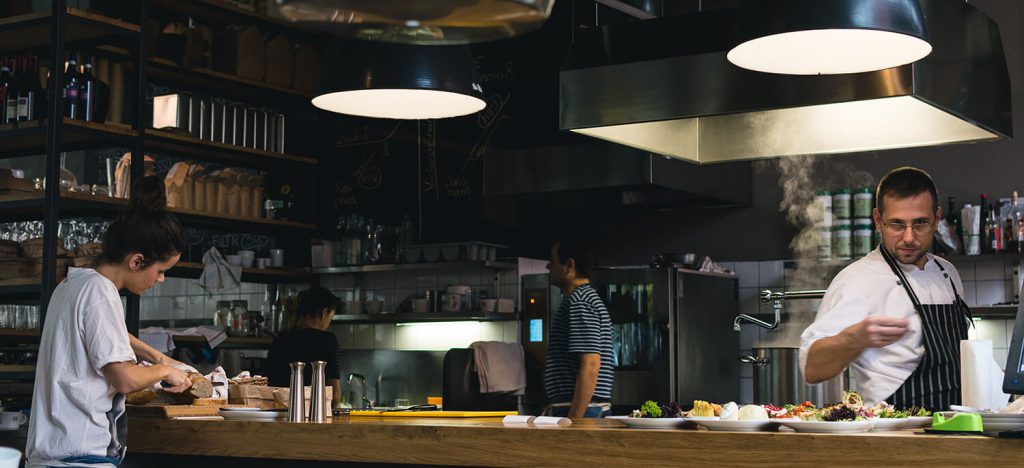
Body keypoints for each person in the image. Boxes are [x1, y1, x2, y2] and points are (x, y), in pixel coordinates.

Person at [27, 176, 193, 468]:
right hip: (79, 457)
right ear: (136, 261)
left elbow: (103, 333)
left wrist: (157, 356)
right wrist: (165, 371)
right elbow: (125, 379)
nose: (161, 279)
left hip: (51, 455)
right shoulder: (101, 293)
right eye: (161, 270)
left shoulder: (74, 284)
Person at [800, 167, 971, 410]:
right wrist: (854, 338)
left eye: (920, 223)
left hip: (958, 423)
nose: (909, 237)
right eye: (897, 224)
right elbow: (812, 369)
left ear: (936, 218)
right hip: (896, 427)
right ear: (878, 221)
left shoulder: (948, 273)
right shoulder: (857, 280)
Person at [543, 238, 614, 418]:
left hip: (582, 409)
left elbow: (591, 364)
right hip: (585, 407)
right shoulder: (585, 298)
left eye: (552, 261)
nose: (548, 266)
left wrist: (573, 421)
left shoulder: (580, 301)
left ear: (569, 265)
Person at [266, 287, 342, 409]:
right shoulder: (327, 341)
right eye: (330, 317)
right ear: (324, 313)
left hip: (278, 412)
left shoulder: (280, 339)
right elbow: (335, 394)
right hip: (314, 413)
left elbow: (268, 384)